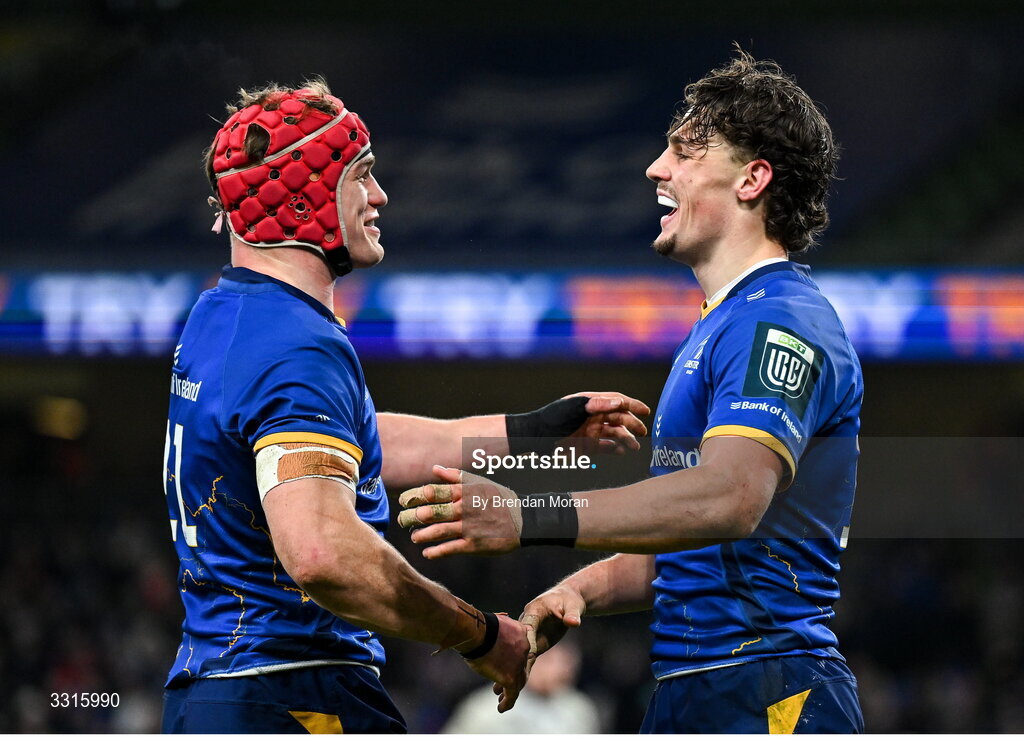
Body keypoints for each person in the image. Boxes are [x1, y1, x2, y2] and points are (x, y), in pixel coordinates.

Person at [160, 79, 650, 733]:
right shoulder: (297, 347)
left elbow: (346, 447)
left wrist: (530, 431)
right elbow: (322, 552)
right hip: (293, 693)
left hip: (217, 688)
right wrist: (477, 632)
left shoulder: (224, 315)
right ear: (304, 194)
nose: (379, 196)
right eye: (361, 176)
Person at [399, 49, 865, 733]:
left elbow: (728, 497)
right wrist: (579, 586)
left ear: (752, 179)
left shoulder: (777, 320)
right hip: (699, 688)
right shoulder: (724, 322)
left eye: (684, 151)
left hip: (771, 691)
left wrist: (531, 513)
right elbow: (694, 542)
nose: (656, 168)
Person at [442, 641, 601, 734]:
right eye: (551, 661)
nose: (563, 669)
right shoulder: (486, 709)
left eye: (567, 663)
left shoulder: (579, 710)